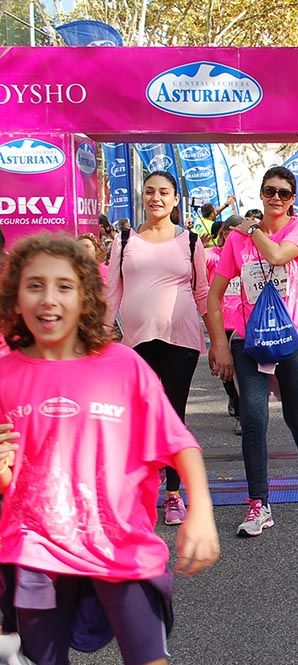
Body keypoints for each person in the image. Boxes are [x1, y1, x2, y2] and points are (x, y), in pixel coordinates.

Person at [0, 234, 220, 665]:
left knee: (149, 662)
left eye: (64, 286)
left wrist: (201, 512)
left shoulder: (122, 365)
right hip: (34, 551)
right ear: (15, 296)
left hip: (120, 544)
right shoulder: (4, 373)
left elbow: (178, 444)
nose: (49, 299)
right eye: (35, 285)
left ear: (86, 297)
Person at [207, 166, 298, 537]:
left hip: (295, 339)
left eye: (284, 193)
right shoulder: (236, 242)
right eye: (269, 191)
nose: (275, 198)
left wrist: (252, 230)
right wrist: (219, 345)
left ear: (293, 199)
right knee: (254, 420)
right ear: (260, 194)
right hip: (249, 341)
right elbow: (213, 296)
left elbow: (277, 256)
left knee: (297, 416)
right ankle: (259, 503)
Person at [105, 171, 209, 527]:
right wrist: (102, 334)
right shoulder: (124, 238)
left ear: (176, 199)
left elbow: (203, 294)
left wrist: (220, 342)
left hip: (181, 340)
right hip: (135, 342)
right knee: (138, 415)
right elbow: (111, 291)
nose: (156, 198)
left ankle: (174, 495)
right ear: (142, 197)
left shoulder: (191, 240)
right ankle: (143, 487)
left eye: (164, 192)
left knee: (172, 414)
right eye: (149, 192)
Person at [205, 216, 244, 435]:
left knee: (244, 372)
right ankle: (233, 397)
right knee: (226, 372)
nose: (234, 236)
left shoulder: (249, 253)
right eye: (230, 231)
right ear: (223, 233)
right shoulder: (213, 256)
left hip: (245, 322)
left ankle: (242, 414)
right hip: (222, 321)